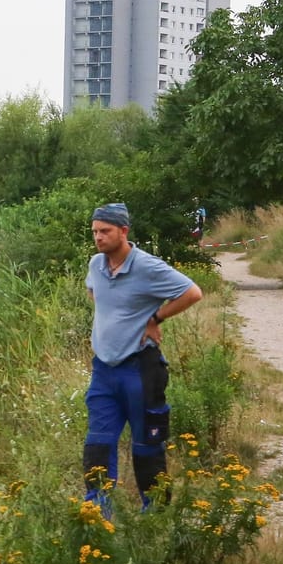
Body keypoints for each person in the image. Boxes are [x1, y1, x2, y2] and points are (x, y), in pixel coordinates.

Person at [84, 202, 202, 507]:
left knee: (146, 446)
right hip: (103, 372)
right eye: (95, 231)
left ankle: (156, 518)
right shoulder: (96, 264)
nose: (99, 237)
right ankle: (97, 520)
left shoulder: (147, 266)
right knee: (97, 447)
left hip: (139, 370)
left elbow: (192, 293)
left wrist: (155, 319)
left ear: (124, 231)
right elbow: (94, 293)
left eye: (105, 231)